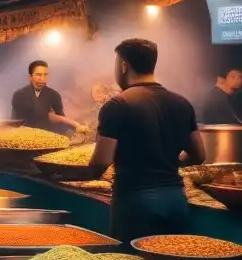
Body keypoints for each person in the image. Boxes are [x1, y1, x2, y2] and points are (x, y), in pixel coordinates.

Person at [85, 39, 205, 243]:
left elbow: (100, 162)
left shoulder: (118, 105)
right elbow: (199, 155)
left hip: (136, 202)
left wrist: (67, 173)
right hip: (175, 200)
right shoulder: (182, 103)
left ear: (124, 66)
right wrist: (166, 162)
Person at [11, 60, 84, 132]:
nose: (42, 78)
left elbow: (61, 120)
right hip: (24, 137)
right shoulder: (19, 95)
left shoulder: (54, 95)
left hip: (49, 137)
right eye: (39, 75)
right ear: (30, 77)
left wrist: (74, 128)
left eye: (45, 75)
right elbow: (15, 122)